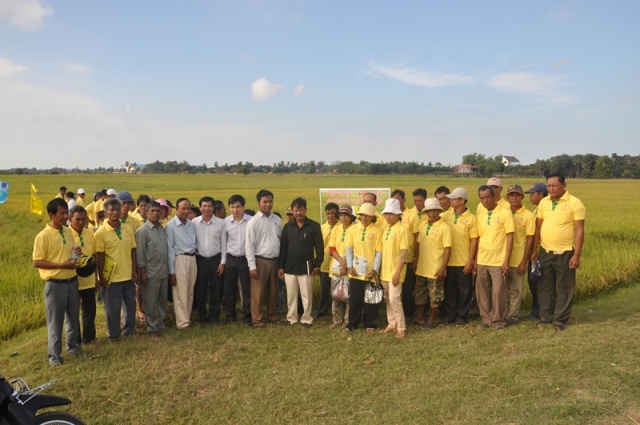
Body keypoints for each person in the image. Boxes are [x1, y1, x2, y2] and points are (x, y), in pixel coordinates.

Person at [32, 198, 84, 366]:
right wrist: (61, 265)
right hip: (55, 285)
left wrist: (77, 252)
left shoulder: (68, 231)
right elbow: (37, 262)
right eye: (61, 213)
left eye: (66, 212)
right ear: (51, 215)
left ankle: (73, 347)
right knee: (55, 322)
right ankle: (55, 357)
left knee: (73, 318)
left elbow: (71, 252)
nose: (65, 216)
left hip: (72, 282)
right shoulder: (43, 236)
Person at [532, 173, 585, 331]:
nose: (551, 188)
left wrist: (577, 255)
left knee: (565, 287)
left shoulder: (575, 203)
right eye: (549, 186)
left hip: (565, 252)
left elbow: (580, 230)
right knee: (545, 286)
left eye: (554, 185)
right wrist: (535, 250)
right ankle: (545, 316)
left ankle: (560, 319)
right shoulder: (544, 203)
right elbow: (538, 227)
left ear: (564, 185)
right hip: (545, 251)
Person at [94, 198, 138, 342]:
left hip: (128, 275)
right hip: (112, 277)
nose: (114, 212)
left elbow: (133, 251)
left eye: (117, 209)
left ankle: (129, 329)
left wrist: (134, 270)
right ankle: (113, 334)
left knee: (130, 304)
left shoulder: (127, 229)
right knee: (112, 308)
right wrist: (101, 277)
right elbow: (99, 256)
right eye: (111, 210)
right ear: (105, 213)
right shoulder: (100, 233)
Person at [278, 198, 323, 328]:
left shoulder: (314, 226)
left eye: (301, 210)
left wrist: (317, 265)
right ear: (292, 211)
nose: (298, 213)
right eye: (296, 210)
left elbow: (319, 248)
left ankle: (307, 318)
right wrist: (281, 266)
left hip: (307, 267)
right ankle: (291, 318)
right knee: (291, 294)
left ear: (305, 210)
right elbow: (283, 248)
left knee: (306, 295)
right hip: (289, 266)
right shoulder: (288, 227)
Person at [474, 185, 514, 331]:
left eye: (487, 197)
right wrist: (475, 260)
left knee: (498, 291)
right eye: (482, 198)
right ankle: (486, 319)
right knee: (482, 290)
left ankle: (498, 320)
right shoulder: (481, 215)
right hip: (482, 260)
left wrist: (506, 261)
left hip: (498, 260)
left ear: (494, 196)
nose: (485, 200)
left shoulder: (505, 213)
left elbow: (510, 237)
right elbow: (479, 238)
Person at [245, 189, 282, 328]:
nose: (267, 204)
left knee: (273, 292)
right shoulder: (253, 222)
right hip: (260, 261)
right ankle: (257, 320)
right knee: (258, 294)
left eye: (270, 201)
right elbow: (249, 245)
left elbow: (280, 240)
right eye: (264, 202)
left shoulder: (277, 220)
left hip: (275, 260)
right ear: (258, 203)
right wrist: (252, 266)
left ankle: (272, 316)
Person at [441, 187, 478, 327]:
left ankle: (462, 316)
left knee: (465, 290)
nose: (450, 201)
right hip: (449, 261)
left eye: (453, 199)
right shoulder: (446, 215)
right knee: (450, 290)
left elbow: (474, 241)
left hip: (463, 261)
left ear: (462, 201)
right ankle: (450, 315)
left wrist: (470, 261)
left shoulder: (471, 219)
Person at [413, 198, 451, 329]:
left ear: (439, 211)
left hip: (435, 267)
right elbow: (418, 244)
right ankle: (419, 316)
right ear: (426, 212)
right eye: (430, 211)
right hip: (422, 267)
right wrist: (415, 260)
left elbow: (447, 249)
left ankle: (432, 318)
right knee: (420, 293)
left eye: (435, 210)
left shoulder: (444, 227)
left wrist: (443, 268)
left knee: (435, 296)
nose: (433, 213)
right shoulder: (423, 225)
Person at [345, 202, 382, 332]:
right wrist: (349, 266)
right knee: (354, 298)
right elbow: (349, 249)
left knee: (370, 299)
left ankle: (369, 323)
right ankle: (352, 323)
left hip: (370, 272)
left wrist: (374, 270)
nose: (364, 218)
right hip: (355, 271)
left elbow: (379, 253)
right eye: (362, 215)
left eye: (367, 215)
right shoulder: (353, 229)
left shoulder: (377, 230)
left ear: (372, 217)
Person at [135, 201, 169, 336]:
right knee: (150, 301)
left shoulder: (162, 229)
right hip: (150, 273)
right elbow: (140, 254)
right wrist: (142, 272)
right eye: (152, 211)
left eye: (157, 211)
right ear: (146, 212)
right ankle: (152, 327)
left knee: (162, 300)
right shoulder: (142, 231)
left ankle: (160, 323)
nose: (155, 213)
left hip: (163, 271)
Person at [379, 198, 411, 338]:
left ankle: (401, 327)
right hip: (384, 271)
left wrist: (397, 272)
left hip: (395, 271)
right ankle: (392, 324)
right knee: (387, 298)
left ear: (398, 215)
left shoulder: (402, 230)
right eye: (386, 214)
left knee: (394, 298)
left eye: (391, 214)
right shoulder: (386, 229)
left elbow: (404, 253)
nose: (388, 216)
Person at [192, 196, 226, 324]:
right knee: (200, 290)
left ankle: (213, 317)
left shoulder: (220, 223)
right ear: (200, 208)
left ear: (213, 208)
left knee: (215, 290)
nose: (207, 208)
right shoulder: (194, 223)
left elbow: (224, 245)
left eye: (209, 206)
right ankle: (202, 317)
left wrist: (222, 262)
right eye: (204, 206)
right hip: (199, 260)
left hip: (216, 260)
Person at [166, 198, 198, 330]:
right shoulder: (170, 226)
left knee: (190, 291)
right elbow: (169, 250)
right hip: (180, 259)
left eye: (188, 208)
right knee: (180, 293)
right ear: (176, 209)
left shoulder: (191, 224)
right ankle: (182, 323)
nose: (186, 211)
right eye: (183, 208)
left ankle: (187, 318)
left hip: (192, 258)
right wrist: (172, 271)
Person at [505, 185, 535, 325]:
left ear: (522, 197)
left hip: (518, 259)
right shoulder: (503, 213)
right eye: (511, 195)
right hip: (501, 258)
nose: (514, 197)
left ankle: (512, 316)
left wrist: (524, 261)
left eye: (517, 195)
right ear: (507, 197)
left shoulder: (528, 216)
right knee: (501, 289)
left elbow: (530, 239)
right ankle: (501, 313)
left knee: (515, 290)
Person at [68, 205, 98, 345]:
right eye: (77, 219)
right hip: (73, 280)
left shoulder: (90, 233)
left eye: (83, 219)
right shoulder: (66, 234)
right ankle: (75, 340)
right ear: (70, 219)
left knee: (90, 310)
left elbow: (94, 256)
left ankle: (90, 337)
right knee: (73, 313)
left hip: (89, 279)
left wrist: (97, 278)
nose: (80, 222)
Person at [222, 195, 252, 325]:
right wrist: (223, 262)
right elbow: (223, 243)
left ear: (243, 207)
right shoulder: (226, 222)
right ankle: (230, 316)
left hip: (245, 259)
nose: (235, 209)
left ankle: (247, 317)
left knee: (247, 290)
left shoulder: (251, 221)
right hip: (231, 259)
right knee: (229, 290)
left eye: (238, 206)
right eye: (232, 207)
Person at [391, 189, 418, 321]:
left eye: (398, 199)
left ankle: (408, 314)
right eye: (393, 199)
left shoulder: (412, 215)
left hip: (407, 258)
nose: (396, 202)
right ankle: (395, 315)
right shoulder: (390, 216)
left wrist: (415, 258)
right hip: (392, 260)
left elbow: (416, 236)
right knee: (394, 290)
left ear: (404, 200)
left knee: (407, 288)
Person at [328, 204, 356, 329]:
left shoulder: (356, 228)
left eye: (346, 215)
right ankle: (336, 320)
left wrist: (347, 263)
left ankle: (347, 321)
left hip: (352, 265)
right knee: (336, 293)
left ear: (351, 216)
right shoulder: (336, 229)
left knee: (350, 294)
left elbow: (358, 248)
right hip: (337, 264)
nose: (343, 218)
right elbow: (332, 248)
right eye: (341, 215)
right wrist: (341, 261)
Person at [523, 182, 548, 320]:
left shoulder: (543, 210)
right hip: (535, 252)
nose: (530, 197)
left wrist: (534, 252)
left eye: (533, 194)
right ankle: (535, 310)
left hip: (539, 252)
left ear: (541, 194)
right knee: (533, 282)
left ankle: (540, 311)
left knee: (539, 283)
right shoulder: (537, 210)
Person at [314, 202, 339, 319]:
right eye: (328, 213)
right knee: (324, 289)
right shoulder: (322, 227)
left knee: (338, 289)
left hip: (337, 264)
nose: (331, 216)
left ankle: (338, 312)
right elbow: (318, 245)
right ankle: (322, 310)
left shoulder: (342, 227)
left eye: (333, 213)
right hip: (324, 263)